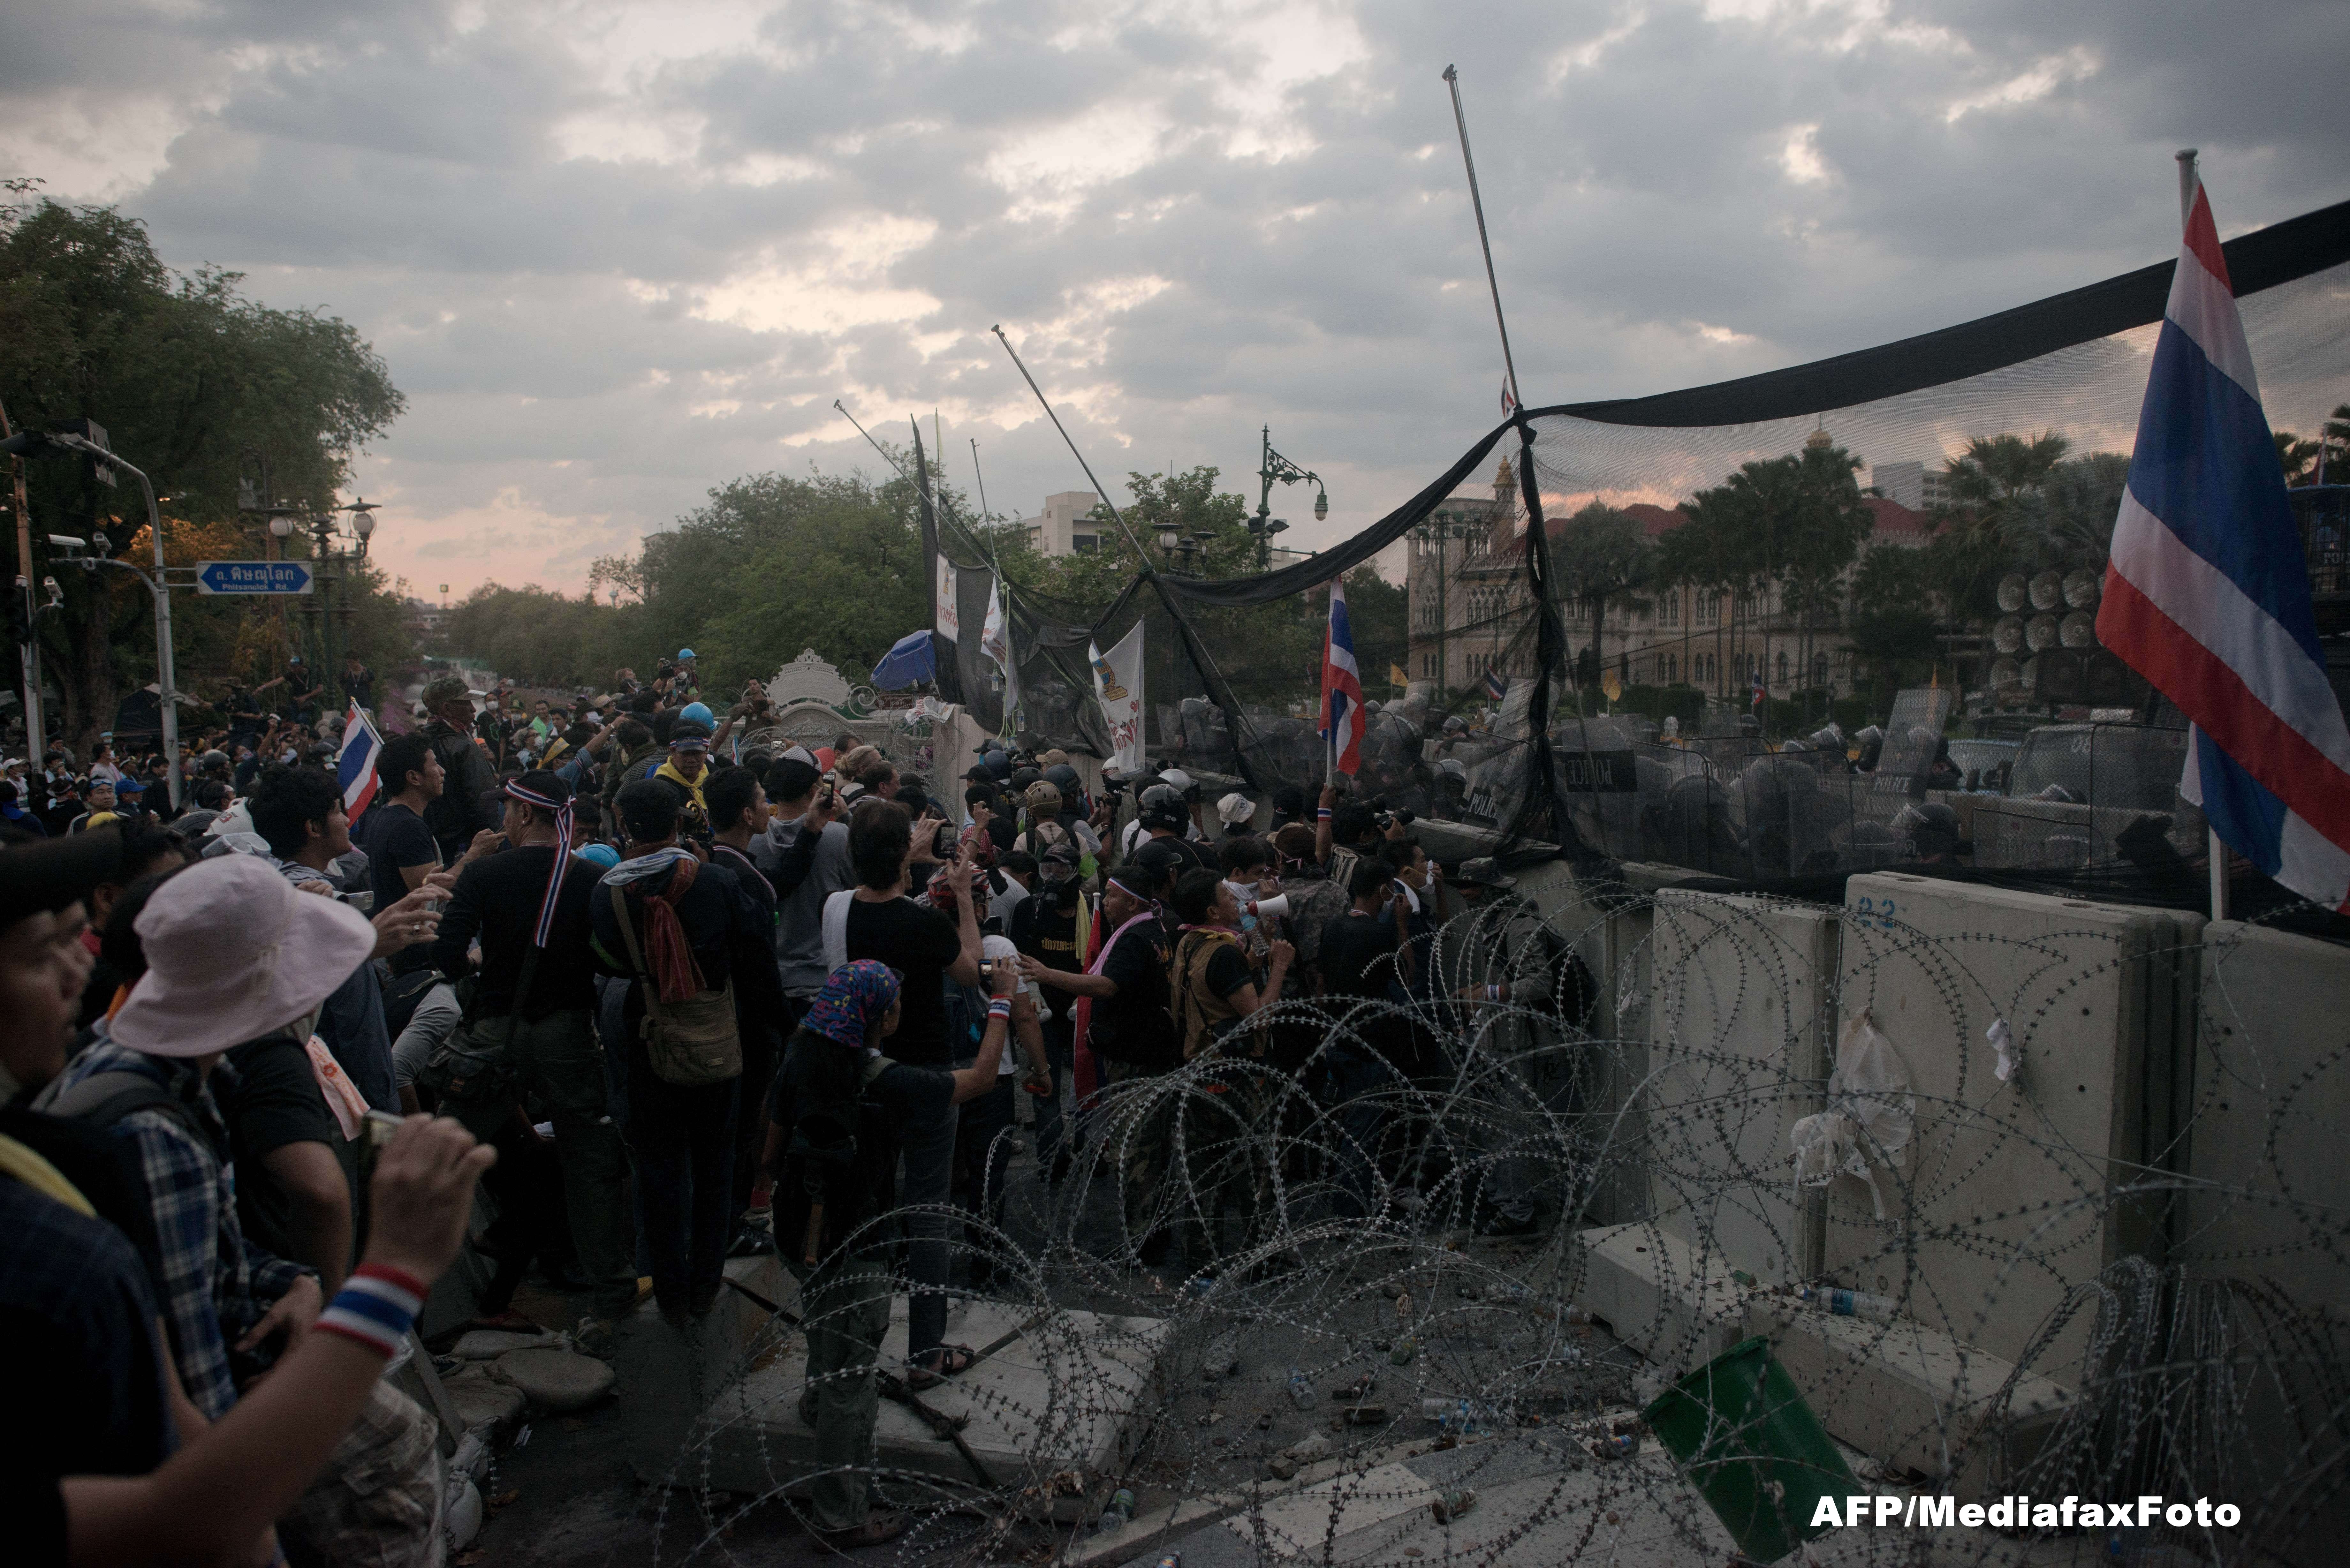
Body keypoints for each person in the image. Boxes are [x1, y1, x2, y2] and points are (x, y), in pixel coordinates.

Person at [38, 854, 449, 1565]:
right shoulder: (155, 1135)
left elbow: (212, 1253)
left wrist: (287, 1282)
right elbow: (194, 1388)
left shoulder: (172, 1064)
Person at [764, 959, 1015, 1549]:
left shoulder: (800, 1058)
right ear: (879, 1017)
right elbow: (978, 1079)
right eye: (895, 1002)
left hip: (800, 1230)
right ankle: (842, 1513)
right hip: (858, 1241)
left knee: (825, 1334)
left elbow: (770, 1150)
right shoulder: (883, 1077)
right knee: (854, 1375)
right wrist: (1002, 1002)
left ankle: (816, 1402)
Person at [429, 771, 638, 1348]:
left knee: (439, 1156)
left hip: (491, 1033)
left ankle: (408, 1301)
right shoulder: (593, 877)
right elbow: (617, 961)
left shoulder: (485, 874)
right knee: (589, 1163)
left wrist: (483, 966)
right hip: (570, 1033)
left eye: (508, 810)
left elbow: (446, 956)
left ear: (523, 814)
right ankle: (614, 1297)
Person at [593, 779, 779, 1323]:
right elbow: (756, 948)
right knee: (716, 1163)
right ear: (678, 822)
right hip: (718, 1037)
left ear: (626, 827)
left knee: (660, 1168)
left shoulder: (607, 891)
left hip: (647, 1035)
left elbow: (604, 959)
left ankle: (670, 1290)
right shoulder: (716, 881)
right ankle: (705, 1282)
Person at [830, 798, 981, 1382]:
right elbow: (970, 970)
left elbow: (873, 887)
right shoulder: (925, 924)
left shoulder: (836, 910)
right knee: (927, 1212)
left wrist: (906, 858)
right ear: (902, 855)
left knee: (866, 1204)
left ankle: (851, 1343)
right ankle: (926, 1351)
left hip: (861, 1069)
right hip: (925, 1075)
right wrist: (963, 895)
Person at [1020, 864, 1180, 1266]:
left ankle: (1142, 1243)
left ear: (1131, 901)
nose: (1103, 902)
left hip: (1137, 1057)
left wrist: (1047, 974)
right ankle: (1153, 1234)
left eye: (1110, 895)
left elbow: (1108, 985)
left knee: (1137, 1151)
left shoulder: (1133, 938)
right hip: (1150, 1051)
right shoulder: (1152, 928)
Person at [247, 764, 400, 1111]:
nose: (347, 819)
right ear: (313, 828)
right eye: (337, 811)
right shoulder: (325, 912)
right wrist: (387, 1108)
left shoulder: (274, 890)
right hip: (338, 1097)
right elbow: (360, 1030)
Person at [1165, 867, 1292, 1279]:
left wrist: (1259, 918)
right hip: (1235, 1079)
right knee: (1257, 1174)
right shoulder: (1222, 953)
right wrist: (1279, 970)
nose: (1235, 901)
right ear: (1212, 911)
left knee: (1205, 1177)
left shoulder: (1191, 940)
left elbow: (1249, 951)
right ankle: (1264, 1259)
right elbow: (1257, 1019)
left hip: (1198, 1071)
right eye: (1227, 897)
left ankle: (1203, 1266)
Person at [420, 674, 498, 862]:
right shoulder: (464, 747)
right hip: (467, 848)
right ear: (448, 709)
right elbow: (483, 802)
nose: (473, 709)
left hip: (434, 847)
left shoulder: (418, 743)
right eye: (467, 703)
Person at [652, 719, 714, 839]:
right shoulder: (662, 785)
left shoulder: (713, 778)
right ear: (673, 752)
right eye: (685, 754)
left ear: (706, 752)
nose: (691, 760)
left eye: (697, 753)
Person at [339, 651, 374, 716]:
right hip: (351, 706)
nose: (350, 665)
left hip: (365, 705)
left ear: (358, 661)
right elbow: (343, 686)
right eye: (348, 663)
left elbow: (371, 687)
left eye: (352, 663)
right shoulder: (345, 674)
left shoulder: (368, 673)